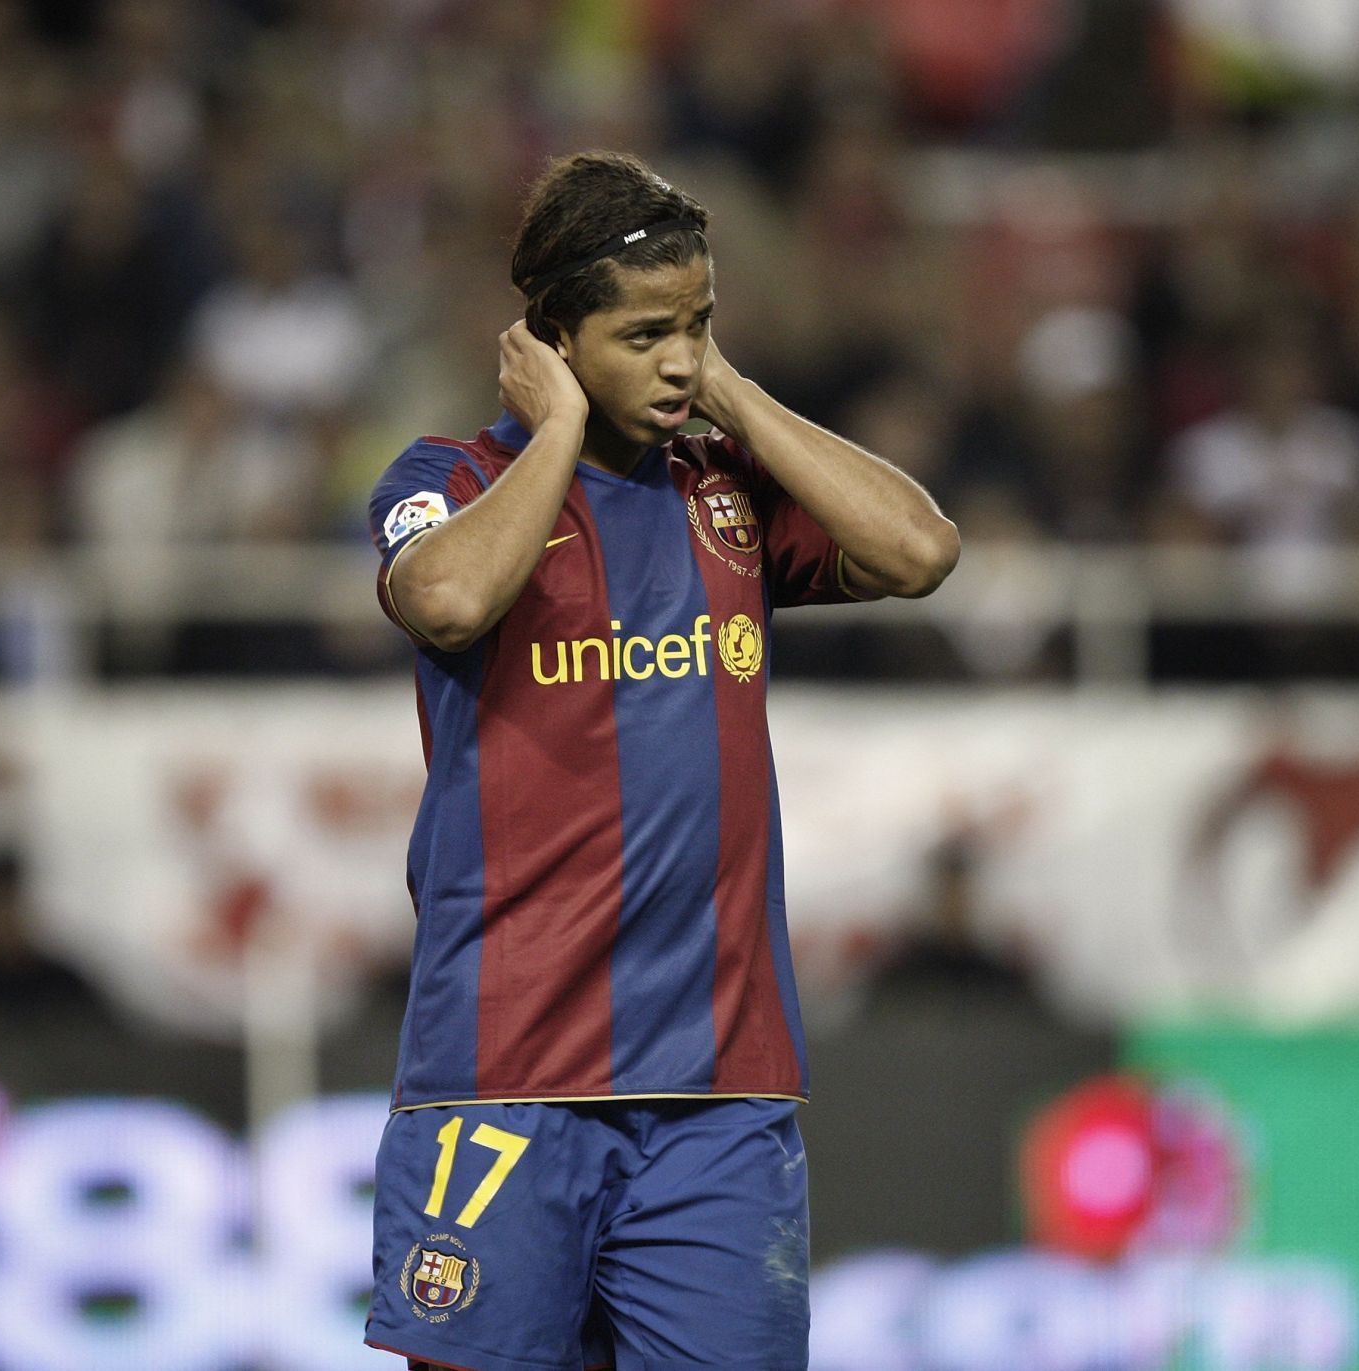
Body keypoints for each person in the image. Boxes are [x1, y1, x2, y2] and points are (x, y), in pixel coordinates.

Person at [361, 150, 959, 1371]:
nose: (678, 360)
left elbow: (918, 551)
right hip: (506, 1076)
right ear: (554, 339)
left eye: (697, 326)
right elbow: (452, 601)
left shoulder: (724, 492)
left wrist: (733, 393)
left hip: (719, 1090)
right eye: (643, 334)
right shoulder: (448, 482)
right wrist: (563, 430)